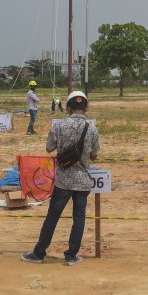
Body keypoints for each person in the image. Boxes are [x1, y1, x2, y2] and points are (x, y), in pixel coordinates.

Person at [22, 90, 100, 266]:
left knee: (53, 216)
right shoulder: (93, 129)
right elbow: (94, 155)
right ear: (86, 107)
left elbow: (49, 147)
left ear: (68, 107)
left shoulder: (58, 126)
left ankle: (39, 252)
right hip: (83, 181)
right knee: (79, 218)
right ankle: (71, 256)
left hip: (63, 180)